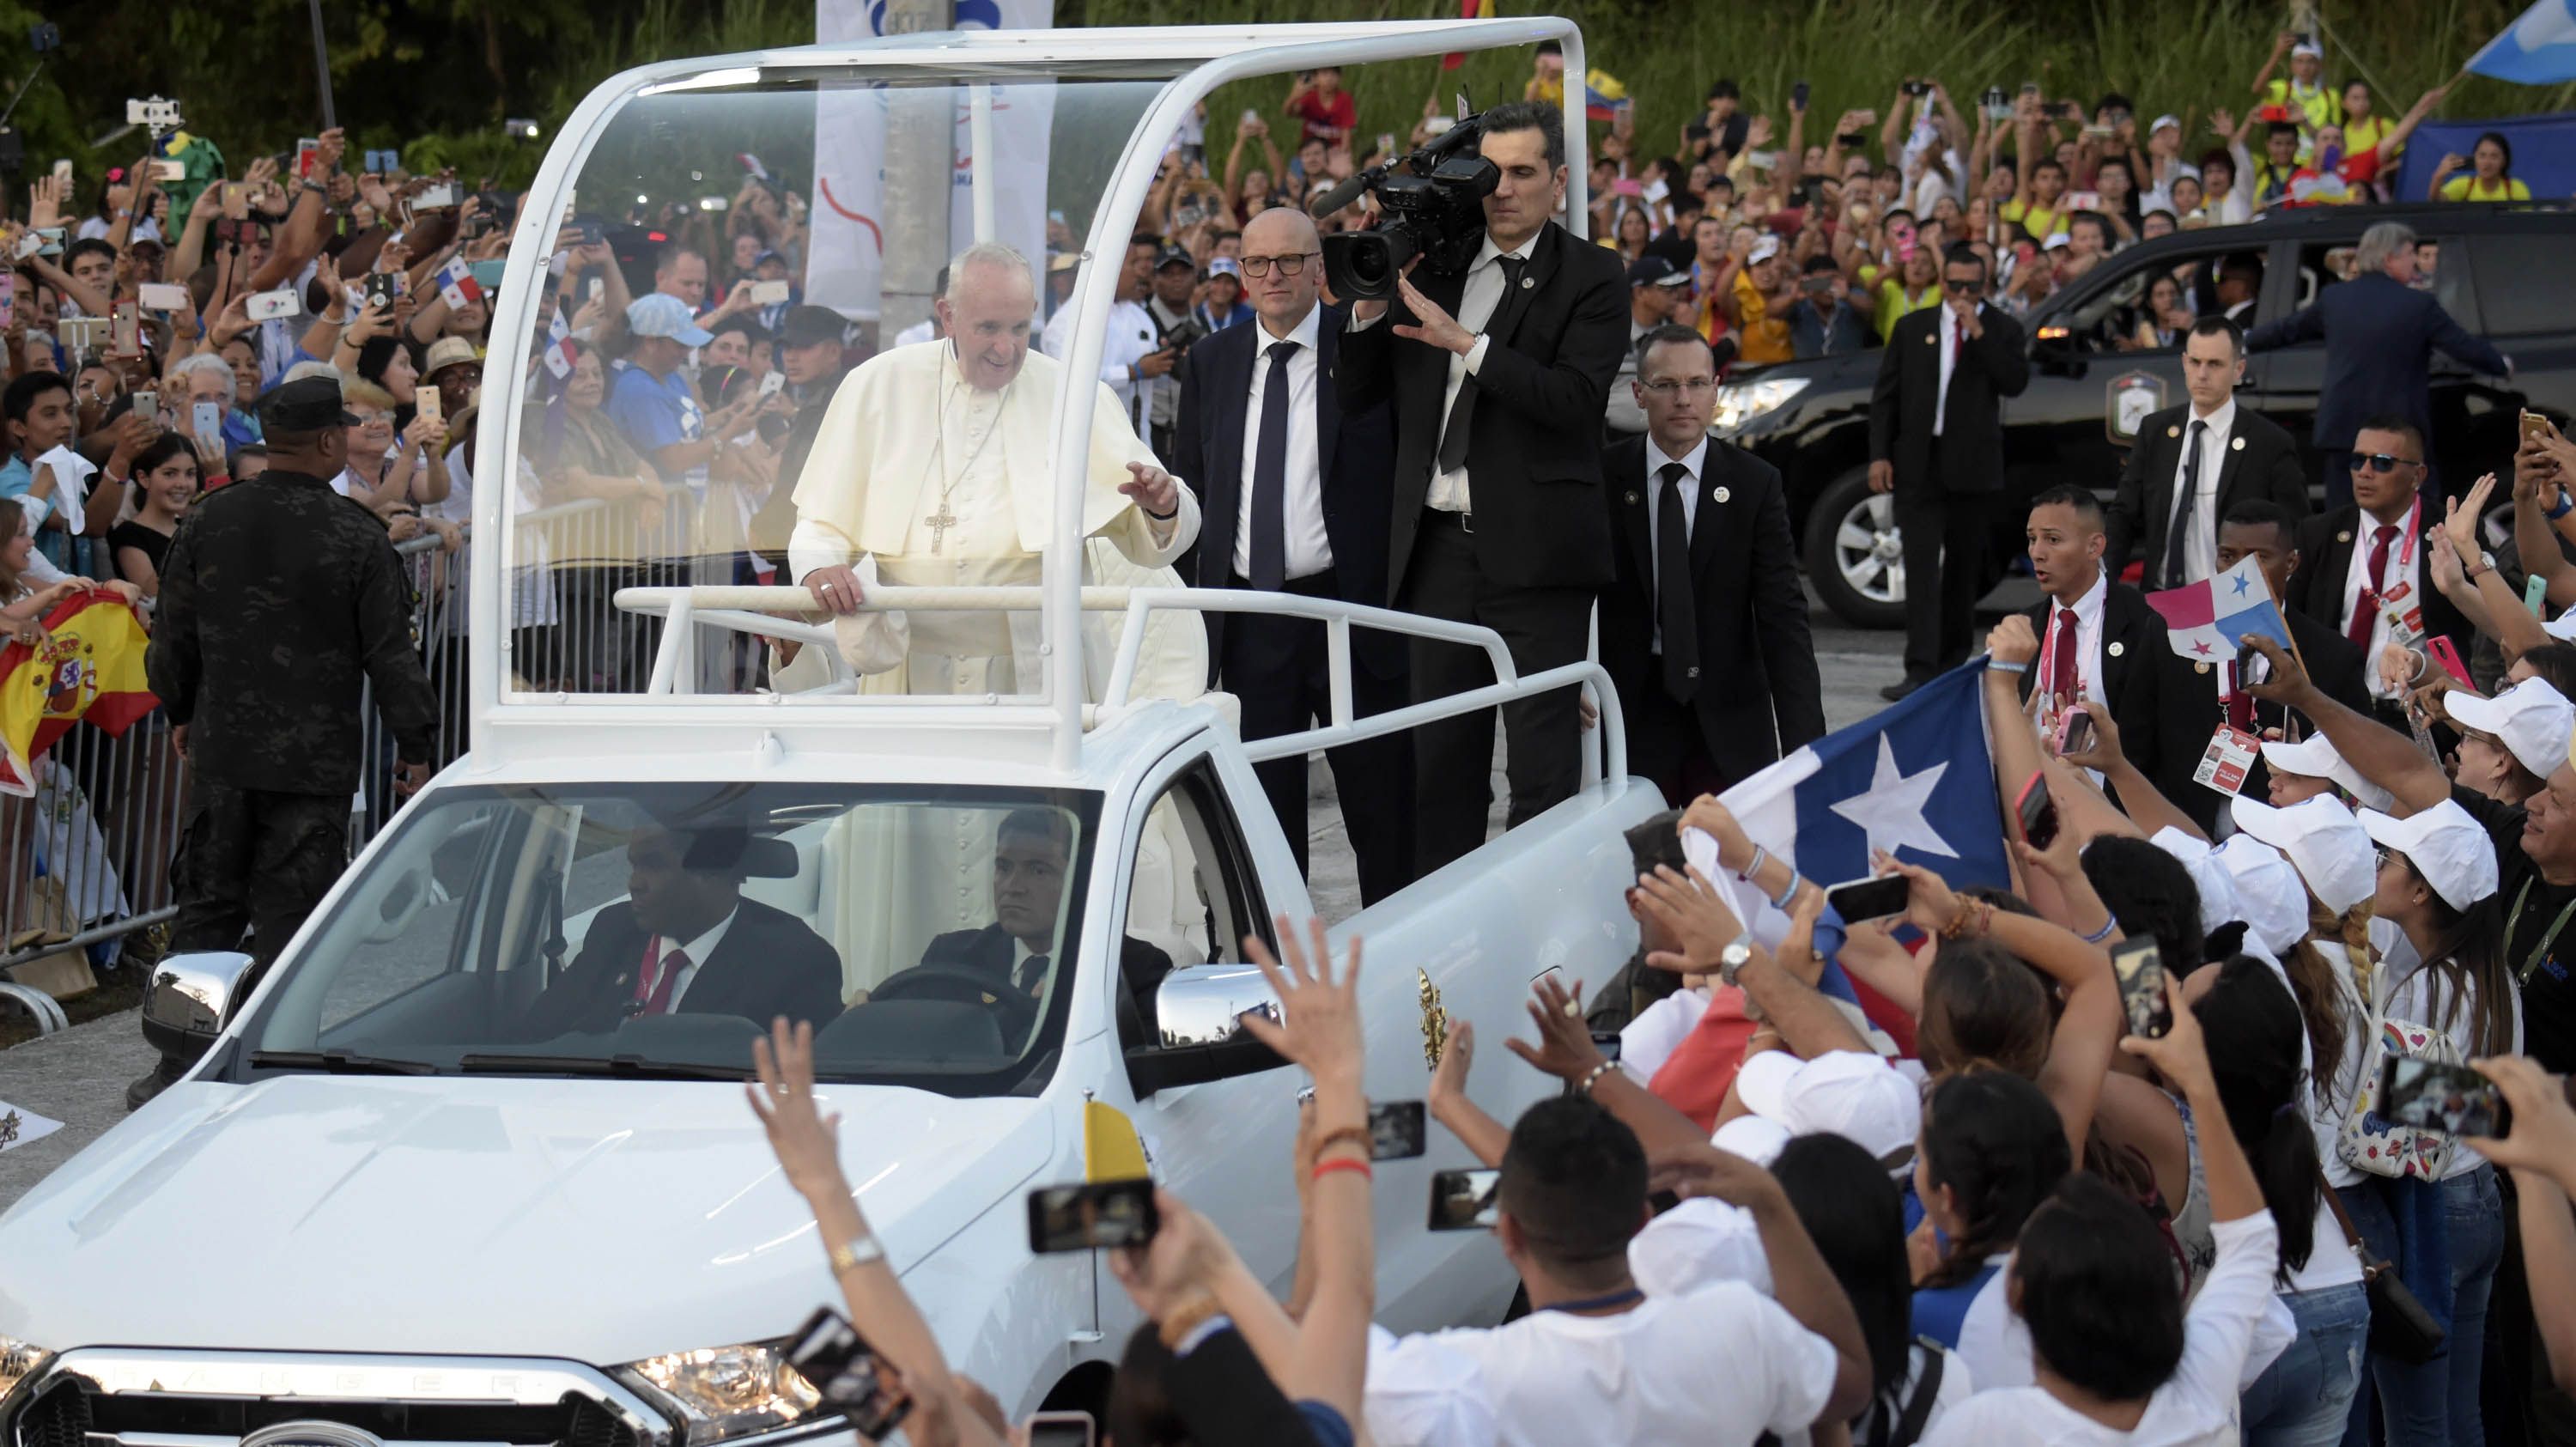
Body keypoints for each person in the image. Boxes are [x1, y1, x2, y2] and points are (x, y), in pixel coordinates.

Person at [1338, 101, 1627, 878]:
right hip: (1435, 553)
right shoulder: (1433, 264)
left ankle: (1540, 943)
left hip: (1538, 557)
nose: (1504, 190)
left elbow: (1572, 401)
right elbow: (1359, 398)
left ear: (1560, 182)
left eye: (1525, 173)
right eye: (1491, 173)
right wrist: (1369, 306)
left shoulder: (1593, 275)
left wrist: (1468, 343)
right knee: (1441, 769)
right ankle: (1450, 954)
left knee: (1541, 770)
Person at [134, 376, 439, 1105]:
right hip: (313, 763)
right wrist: (418, 746)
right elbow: (391, 656)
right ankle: (277, 1060)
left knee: (205, 914)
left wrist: (180, 710)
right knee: (293, 919)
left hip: (223, 756)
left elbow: (170, 637)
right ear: (332, 441)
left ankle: (180, 1065)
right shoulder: (355, 534)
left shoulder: (208, 521)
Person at [791, 242, 1199, 697]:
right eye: (988, 328)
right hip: (909, 668)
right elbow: (821, 522)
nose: (1006, 349)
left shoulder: (1074, 395)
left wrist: (1163, 507)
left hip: (1038, 669)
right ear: (947, 315)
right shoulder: (878, 384)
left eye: (1020, 328)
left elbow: (1155, 542)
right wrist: (818, 568)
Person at [1366, 1095, 1873, 1445]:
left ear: (1509, 1234)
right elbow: (1850, 1384)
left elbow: (1310, 1354)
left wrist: (1333, 1154)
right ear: (1643, 1221)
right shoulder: (1744, 1330)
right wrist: (1771, 1205)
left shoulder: (1457, 1381)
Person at [1920, 969, 2282, 1447]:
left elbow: (2252, 1241)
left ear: (2016, 1299)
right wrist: (2199, 1084)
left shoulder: (1987, 1424)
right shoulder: (2201, 1392)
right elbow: (2251, 1241)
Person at [1166, 205, 1412, 905]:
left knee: (1382, 815)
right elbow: (1196, 492)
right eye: (1257, 262)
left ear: (1319, 269)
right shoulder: (1211, 361)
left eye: (1291, 261)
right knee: (1261, 830)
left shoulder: (1364, 343)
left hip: (1349, 615)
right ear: (1240, 273)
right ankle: (1279, 992)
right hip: (1250, 624)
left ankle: (1401, 987)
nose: (1274, 275)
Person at [1598, 324, 1824, 805]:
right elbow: (1577, 592)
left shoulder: (1754, 484)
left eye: (1697, 383)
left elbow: (1782, 617)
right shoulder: (1604, 479)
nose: (1684, 398)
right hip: (1630, 714)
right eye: (1666, 385)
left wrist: (1808, 749)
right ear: (1639, 393)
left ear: (1716, 391)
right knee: (1635, 871)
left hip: (1730, 718)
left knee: (1726, 870)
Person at [2247, 221, 2510, 509]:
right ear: (2390, 259)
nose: (2415, 262)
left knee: (2344, 517)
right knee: (2416, 513)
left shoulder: (2335, 298)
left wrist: (2244, 341)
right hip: (2400, 433)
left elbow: (2287, 330)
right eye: (2410, 254)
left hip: (2343, 429)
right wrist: (2500, 364)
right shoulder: (2417, 304)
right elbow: (2462, 346)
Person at [1868, 243, 2029, 702]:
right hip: (1920, 461)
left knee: (1963, 569)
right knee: (1919, 566)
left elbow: (2014, 381)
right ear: (1941, 282)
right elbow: (1886, 397)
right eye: (1954, 284)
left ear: (1984, 285)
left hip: (1972, 467)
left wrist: (1978, 332)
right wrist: (1880, 454)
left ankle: (1951, 665)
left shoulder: (2002, 328)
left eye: (1971, 286)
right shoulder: (1912, 327)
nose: (1961, 293)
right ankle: (1918, 669)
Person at [519, 815, 848, 1038]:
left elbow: (801, 1092)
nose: (635, 883)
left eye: (654, 865)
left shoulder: (796, 961)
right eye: (634, 866)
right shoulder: (615, 929)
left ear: (716, 871)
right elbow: (535, 1037)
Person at [886, 806, 1174, 1054]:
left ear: (1082, 880)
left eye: (1038, 871)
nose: (1014, 886)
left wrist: (1065, 1007)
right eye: (1004, 867)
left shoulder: (1133, 971)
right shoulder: (950, 958)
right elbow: (907, 1045)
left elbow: (1139, 1075)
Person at [2286, 416, 2470, 721]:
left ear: (2417, 475)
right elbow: (2293, 620)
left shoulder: (2448, 534)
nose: (2365, 473)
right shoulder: (2319, 533)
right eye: (2357, 461)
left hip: (2417, 714)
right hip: (2333, 712)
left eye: (2382, 463)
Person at [2105, 318, 2308, 589]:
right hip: (2161, 600)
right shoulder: (2155, 431)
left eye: (2214, 364)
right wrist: (2101, 588)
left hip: (2233, 602)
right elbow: (2124, 515)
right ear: (2184, 362)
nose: (2202, 374)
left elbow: (2294, 531)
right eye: (2195, 362)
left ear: (2239, 369)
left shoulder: (2269, 443)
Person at [2210, 502, 2373, 752]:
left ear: (2291, 563)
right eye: (2228, 556)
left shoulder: (2336, 658)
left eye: (2258, 558)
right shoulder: (2168, 636)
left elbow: (2362, 757)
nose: (2240, 572)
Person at [1043, 234, 1168, 444]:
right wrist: (1132, 372)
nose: (1142, 272)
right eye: (1134, 263)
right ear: (1111, 266)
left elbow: (1154, 379)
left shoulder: (1140, 317)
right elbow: (1073, 383)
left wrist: (1165, 362)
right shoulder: (1068, 321)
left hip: (1138, 443)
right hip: (1086, 446)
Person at [1605, 255, 1693, 439]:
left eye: (1677, 288)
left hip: (1667, 441)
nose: (1676, 295)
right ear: (1639, 293)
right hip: (1611, 439)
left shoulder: (1674, 335)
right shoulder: (1608, 333)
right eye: (1667, 289)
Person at [107, 432, 200, 601]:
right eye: (170, 474)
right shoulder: (129, 535)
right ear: (143, 478)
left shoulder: (189, 527)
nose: (182, 484)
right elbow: (153, 594)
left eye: (190, 474)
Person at [1788, 255, 1869, 360]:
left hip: (1849, 371)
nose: (1827, 289)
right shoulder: (1799, 305)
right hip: (1808, 372)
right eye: (1820, 283)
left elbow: (1870, 307)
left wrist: (1848, 296)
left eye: (1831, 281)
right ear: (1808, 283)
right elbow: (1771, 312)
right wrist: (1792, 298)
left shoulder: (1851, 297)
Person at [2431, 131, 2530, 203]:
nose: (2487, 162)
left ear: (2504, 161)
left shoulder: (2516, 188)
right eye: (2482, 156)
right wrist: (2438, 176)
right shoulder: (2464, 184)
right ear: (2474, 158)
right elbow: (2436, 200)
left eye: (2494, 156)